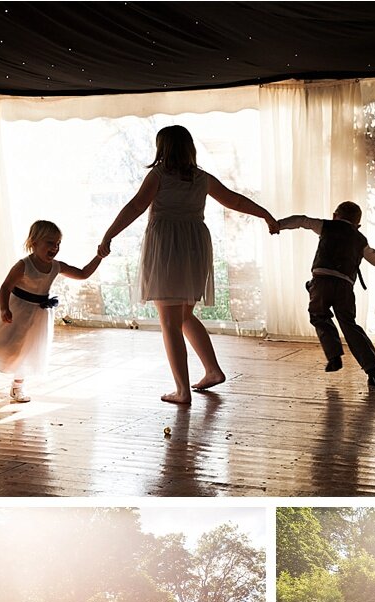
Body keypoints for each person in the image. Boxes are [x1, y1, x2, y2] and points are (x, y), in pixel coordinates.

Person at [98, 125, 279, 404]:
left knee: (169, 322)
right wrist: (265, 214)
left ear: (162, 148)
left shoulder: (158, 175)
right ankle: (212, 370)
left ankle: (182, 391)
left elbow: (135, 207)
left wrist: (109, 234)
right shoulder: (201, 178)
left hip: (168, 248)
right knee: (182, 317)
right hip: (195, 248)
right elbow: (234, 200)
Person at [0, 220, 102, 404]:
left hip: (38, 315)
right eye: (50, 243)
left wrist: (99, 256)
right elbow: (6, 287)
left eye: (58, 243)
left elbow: (83, 273)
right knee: (2, 341)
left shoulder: (57, 266)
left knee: (27, 351)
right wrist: (4, 308)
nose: (55, 247)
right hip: (17, 308)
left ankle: (17, 387)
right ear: (34, 242)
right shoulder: (24, 265)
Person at [276, 203, 375, 386]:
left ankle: (334, 355)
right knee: (350, 325)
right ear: (357, 225)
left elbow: (302, 221)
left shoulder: (326, 225)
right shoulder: (360, 239)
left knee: (319, 315)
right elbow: (374, 257)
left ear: (335, 215)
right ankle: (373, 370)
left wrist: (278, 224)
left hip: (321, 282)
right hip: (344, 287)